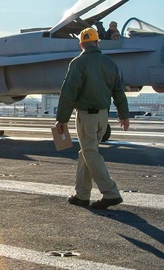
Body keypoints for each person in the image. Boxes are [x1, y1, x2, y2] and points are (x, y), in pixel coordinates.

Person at [54, 27, 130, 210]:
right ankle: (82, 194)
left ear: (81, 44)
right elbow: (119, 91)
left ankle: (111, 192)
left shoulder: (78, 63)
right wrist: (124, 115)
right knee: (86, 152)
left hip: (86, 116)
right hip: (103, 117)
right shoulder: (110, 63)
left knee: (90, 153)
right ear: (97, 42)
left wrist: (61, 119)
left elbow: (68, 92)